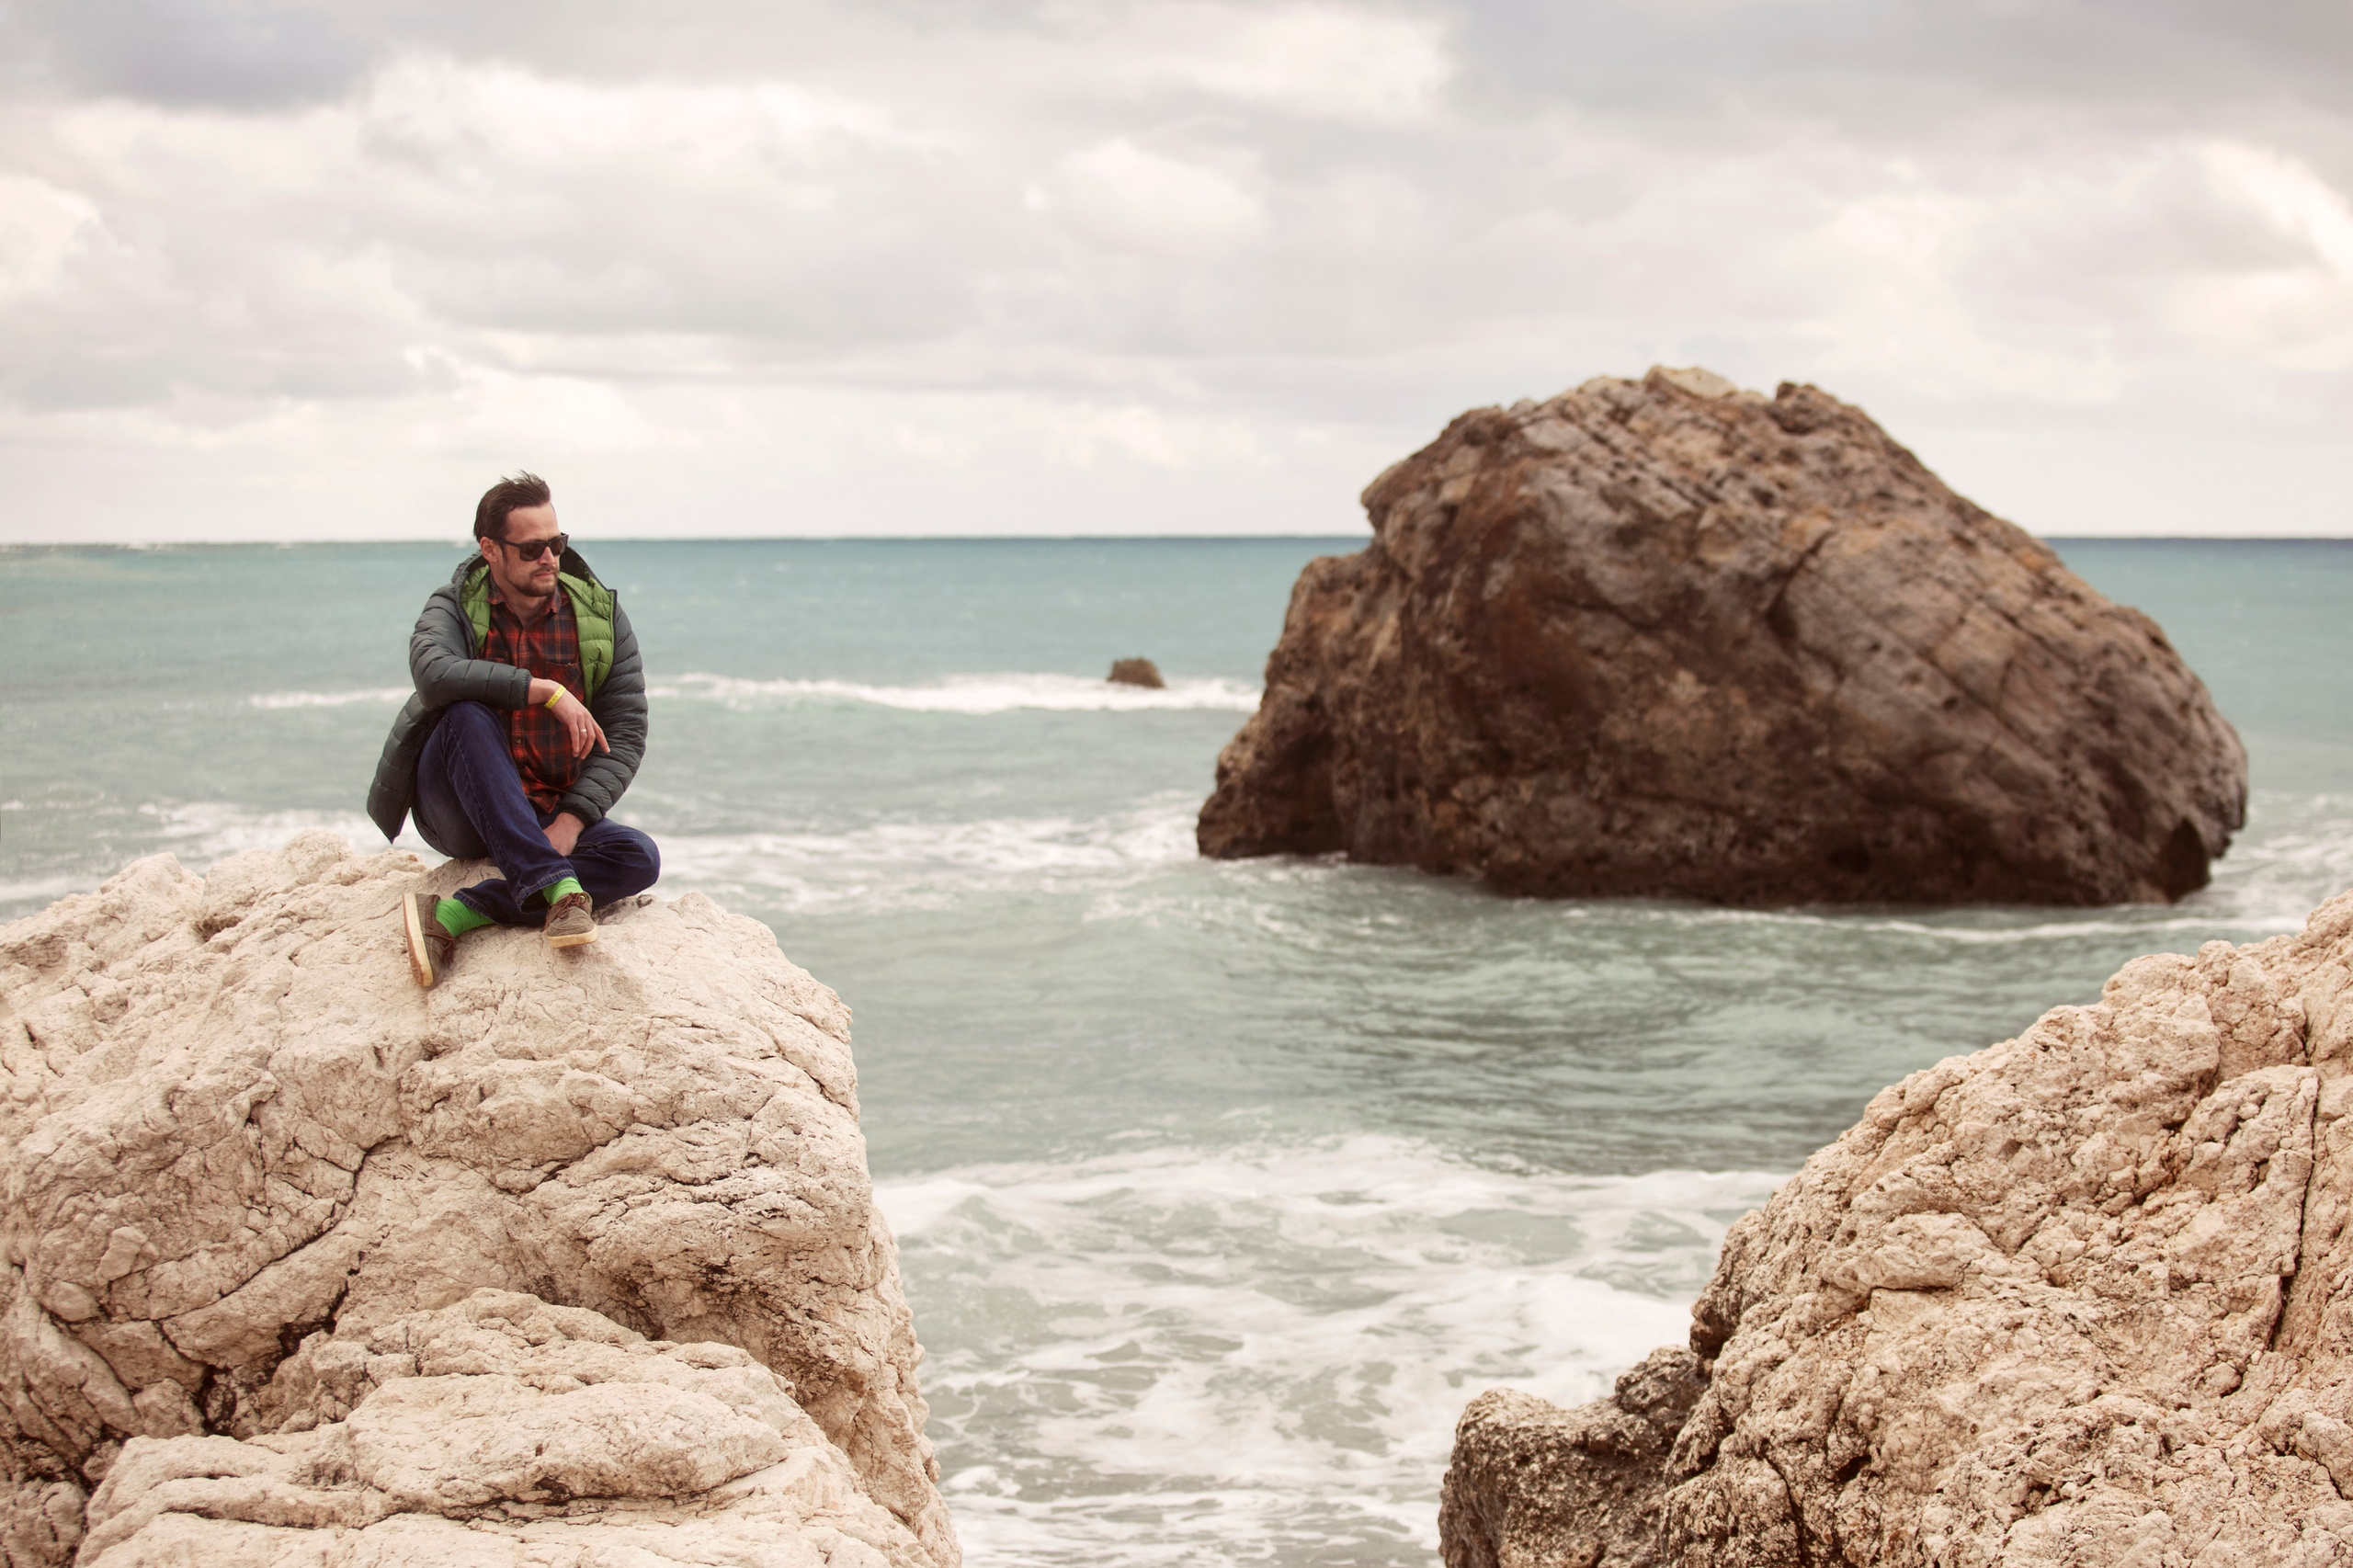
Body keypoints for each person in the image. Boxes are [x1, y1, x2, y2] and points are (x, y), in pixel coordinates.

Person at [367, 472, 658, 987]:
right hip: (459, 810)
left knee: (638, 857)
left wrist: (571, 822)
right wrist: (544, 690)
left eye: (557, 543)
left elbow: (626, 732)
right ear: (490, 550)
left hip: (544, 807)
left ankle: (459, 913)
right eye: (531, 549)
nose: (550, 558)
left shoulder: (598, 616)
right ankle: (559, 889)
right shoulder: (453, 605)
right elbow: (434, 674)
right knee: (464, 712)